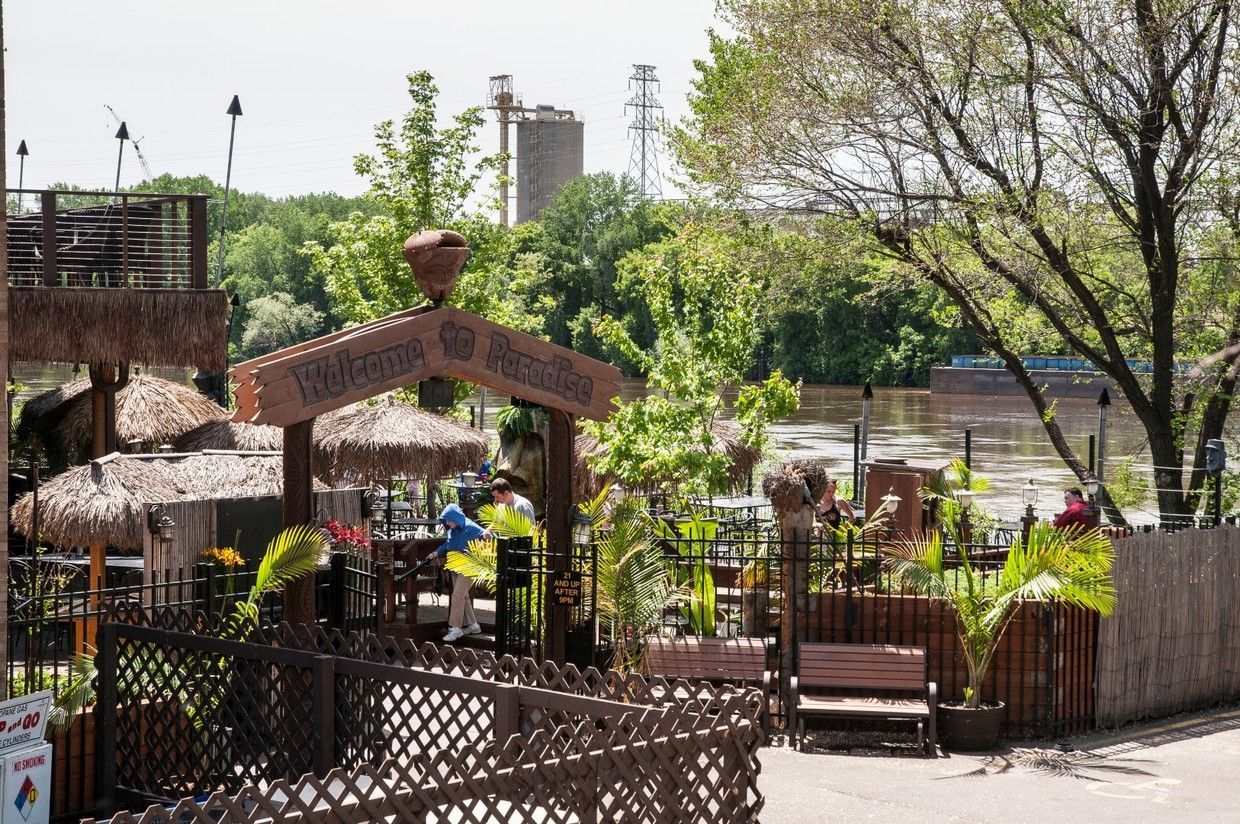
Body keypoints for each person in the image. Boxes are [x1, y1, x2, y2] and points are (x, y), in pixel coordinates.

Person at [435, 503, 485, 642]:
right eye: (446, 521)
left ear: (456, 517)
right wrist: (436, 553)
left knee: (457, 595)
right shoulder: (451, 529)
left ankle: (455, 628)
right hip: (455, 566)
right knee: (463, 596)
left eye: (449, 520)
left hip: (469, 566)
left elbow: (486, 536)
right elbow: (447, 544)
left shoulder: (471, 528)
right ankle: (473, 625)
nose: (447, 523)